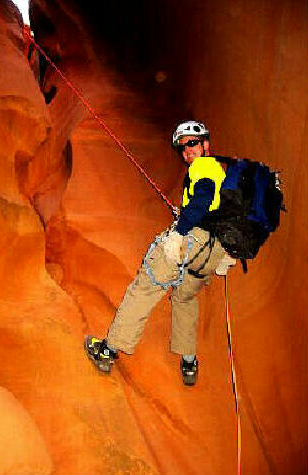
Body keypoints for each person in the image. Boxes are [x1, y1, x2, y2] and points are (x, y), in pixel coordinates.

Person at [85, 121, 236, 385]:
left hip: (188, 243)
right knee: (185, 298)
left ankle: (108, 351)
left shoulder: (204, 167)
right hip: (211, 252)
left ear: (206, 145)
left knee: (144, 289)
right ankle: (189, 363)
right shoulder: (221, 174)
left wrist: (181, 229)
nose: (187, 150)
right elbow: (213, 209)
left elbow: (201, 199)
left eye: (192, 143)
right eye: (183, 147)